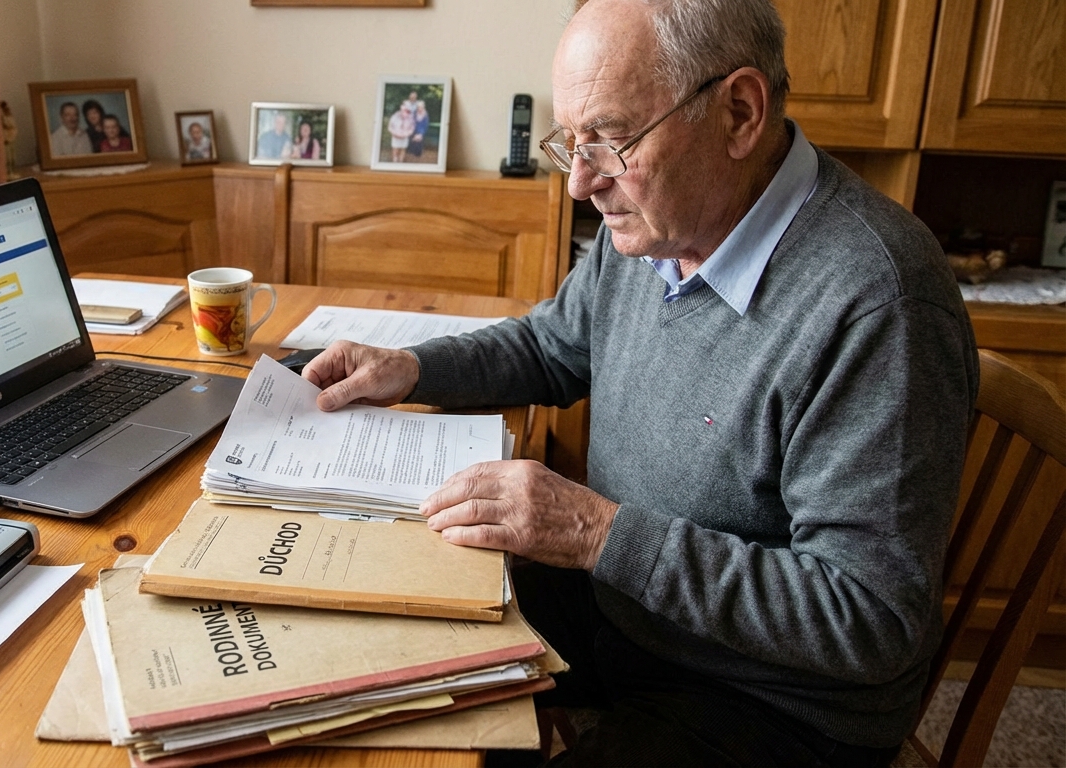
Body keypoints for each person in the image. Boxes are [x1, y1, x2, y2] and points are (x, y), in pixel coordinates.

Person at [301, 0, 978, 765]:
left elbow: (867, 619)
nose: (580, 184)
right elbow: (551, 346)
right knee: (366, 655)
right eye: (572, 143)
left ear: (740, 112)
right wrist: (417, 366)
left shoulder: (879, 303)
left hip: (771, 700)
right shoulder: (659, 227)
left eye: (612, 141)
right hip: (627, 615)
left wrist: (597, 533)